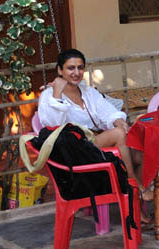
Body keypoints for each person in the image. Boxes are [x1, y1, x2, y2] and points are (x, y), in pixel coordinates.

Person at [37, 49, 140, 188]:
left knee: (139, 152)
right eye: (71, 68)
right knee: (119, 133)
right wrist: (57, 94)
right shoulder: (48, 96)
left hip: (94, 139)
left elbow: (105, 109)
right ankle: (131, 180)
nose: (76, 72)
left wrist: (118, 120)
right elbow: (53, 127)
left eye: (80, 67)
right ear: (60, 70)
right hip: (74, 146)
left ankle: (134, 195)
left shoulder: (87, 91)